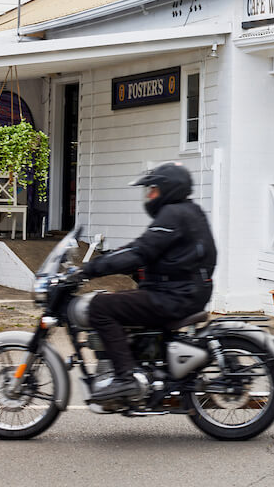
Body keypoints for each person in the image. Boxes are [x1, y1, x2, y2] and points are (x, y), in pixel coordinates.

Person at [82, 162, 217, 403]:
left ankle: (125, 378)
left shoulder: (173, 214)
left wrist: (90, 269)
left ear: (169, 189)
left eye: (153, 190)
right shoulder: (189, 211)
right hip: (185, 290)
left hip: (175, 296)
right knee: (126, 305)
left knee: (100, 306)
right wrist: (113, 257)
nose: (149, 196)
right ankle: (142, 368)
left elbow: (141, 251)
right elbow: (149, 249)